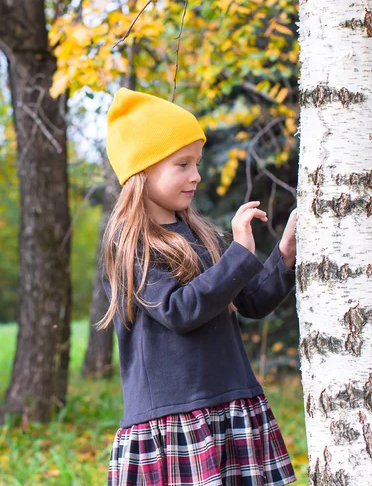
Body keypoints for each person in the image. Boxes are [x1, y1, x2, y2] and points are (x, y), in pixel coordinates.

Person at [96, 88, 298, 486]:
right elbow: (179, 310)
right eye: (182, 164)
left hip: (229, 403)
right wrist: (240, 251)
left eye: (198, 163)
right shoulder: (130, 245)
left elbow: (252, 301)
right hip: (173, 421)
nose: (196, 175)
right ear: (143, 171)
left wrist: (285, 254)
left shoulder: (199, 233)